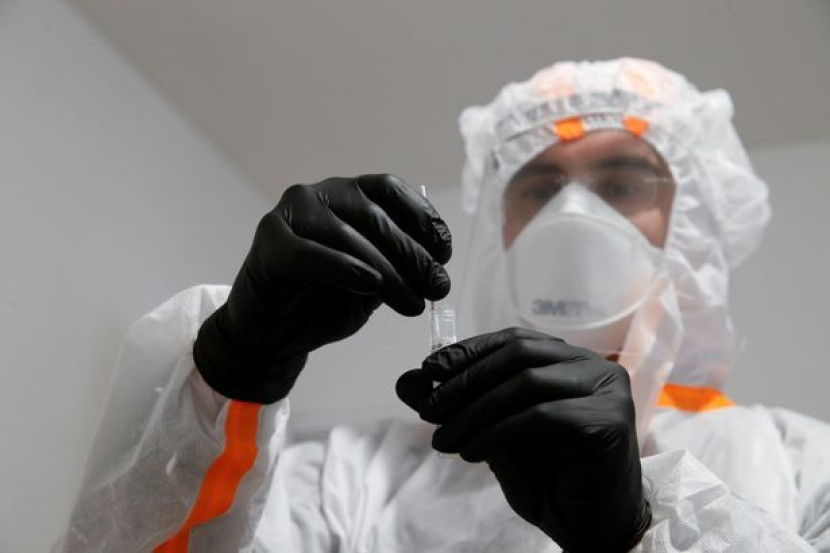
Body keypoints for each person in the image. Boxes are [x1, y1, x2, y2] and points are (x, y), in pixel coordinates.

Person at [54, 59, 830, 552]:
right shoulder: (352, 480)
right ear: (503, 225)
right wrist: (235, 367)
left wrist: (633, 531)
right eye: (539, 187)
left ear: (691, 225)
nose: (573, 216)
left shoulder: (800, 466)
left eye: (622, 182)